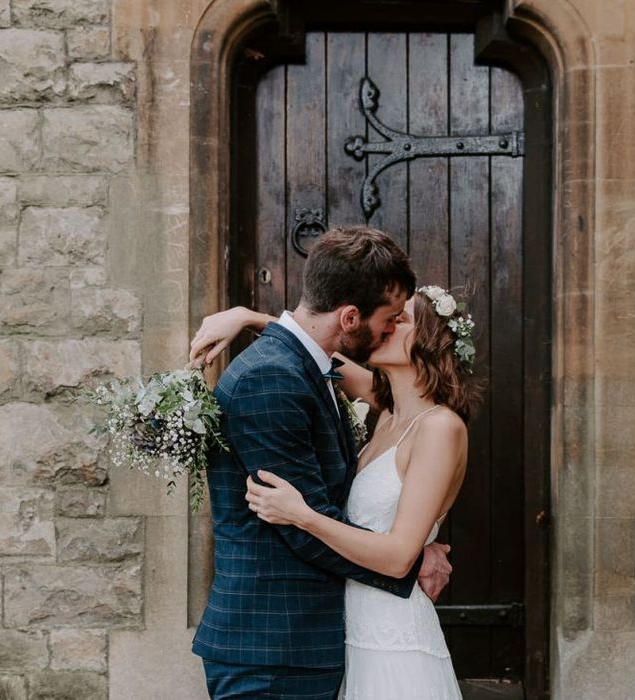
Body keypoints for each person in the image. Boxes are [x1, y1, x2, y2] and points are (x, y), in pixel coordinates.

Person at [189, 227, 453, 700]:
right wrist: (407, 562)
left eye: (400, 322)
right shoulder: (274, 377)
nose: (391, 328)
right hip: (273, 647)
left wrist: (251, 316)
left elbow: (317, 511)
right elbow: (301, 528)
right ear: (351, 317)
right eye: (389, 318)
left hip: (309, 641)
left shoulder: (318, 370)